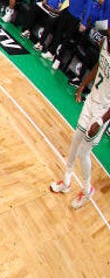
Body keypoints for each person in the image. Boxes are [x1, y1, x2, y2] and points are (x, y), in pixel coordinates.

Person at [53, 37, 110, 209]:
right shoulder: (106, 42)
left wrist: (100, 121)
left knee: (83, 153)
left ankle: (87, 190)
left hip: (103, 110)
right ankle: (67, 180)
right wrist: (83, 85)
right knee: (75, 140)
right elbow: (98, 67)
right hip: (91, 100)